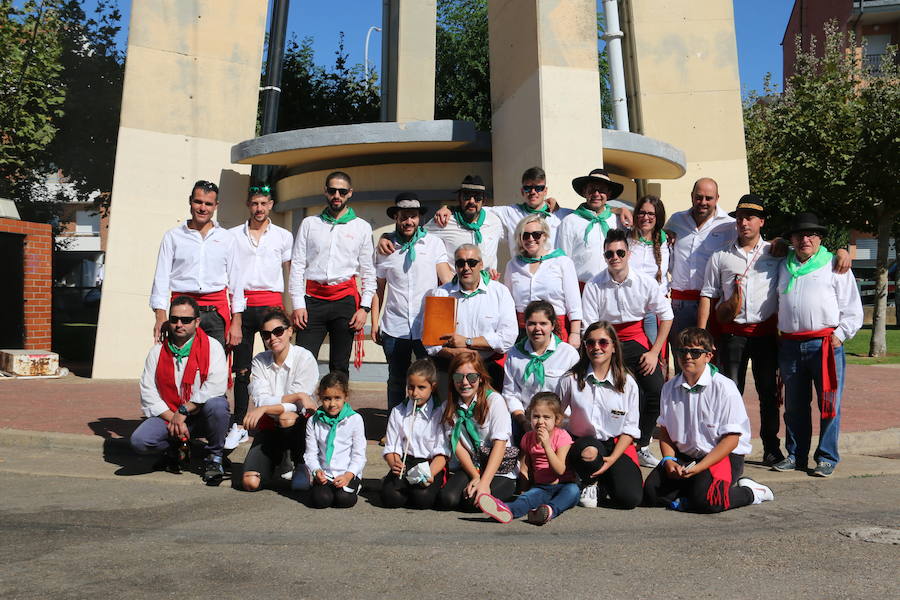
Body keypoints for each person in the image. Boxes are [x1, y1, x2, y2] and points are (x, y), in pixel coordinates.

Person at [642, 327, 774, 513]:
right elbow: (665, 431)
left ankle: (752, 492)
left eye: (695, 352)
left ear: (708, 356)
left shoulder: (724, 388)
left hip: (721, 455)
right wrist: (669, 460)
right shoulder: (669, 387)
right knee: (650, 493)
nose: (688, 356)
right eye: (683, 351)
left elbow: (731, 440)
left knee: (709, 500)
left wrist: (699, 468)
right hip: (685, 455)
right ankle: (692, 490)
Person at [772, 212, 863, 478]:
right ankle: (796, 454)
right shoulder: (782, 264)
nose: (805, 239)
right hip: (790, 345)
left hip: (824, 344)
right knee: (794, 406)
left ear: (820, 238)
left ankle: (825, 456)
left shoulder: (834, 264)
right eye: (799, 234)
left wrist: (841, 334)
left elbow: (852, 308)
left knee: (829, 403)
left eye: (811, 234)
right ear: (792, 239)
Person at [698, 195, 784, 465]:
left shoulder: (776, 253)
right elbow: (707, 295)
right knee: (731, 392)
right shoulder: (720, 255)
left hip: (766, 335)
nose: (744, 222)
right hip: (732, 335)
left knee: (768, 392)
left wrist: (840, 253)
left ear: (761, 222)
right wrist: (701, 335)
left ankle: (771, 446)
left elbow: (810, 253)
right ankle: (730, 446)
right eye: (740, 217)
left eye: (750, 217)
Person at [581, 229, 673, 468]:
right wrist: (601, 353)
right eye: (610, 253)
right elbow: (590, 326)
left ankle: (641, 444)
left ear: (628, 254)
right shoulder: (594, 285)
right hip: (607, 343)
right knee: (618, 391)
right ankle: (613, 441)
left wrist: (654, 352)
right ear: (604, 256)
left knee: (654, 388)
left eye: (620, 252)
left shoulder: (644, 281)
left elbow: (667, 315)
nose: (615, 257)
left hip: (637, 342)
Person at [131, 295, 230, 485]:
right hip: (171, 415)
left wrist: (184, 411)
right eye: (174, 319)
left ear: (197, 322)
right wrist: (174, 418)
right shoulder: (157, 352)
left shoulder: (212, 347)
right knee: (140, 441)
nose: (179, 324)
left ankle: (214, 458)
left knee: (218, 405)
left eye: (186, 320)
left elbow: (216, 386)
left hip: (201, 415)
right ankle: (175, 448)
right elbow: (148, 392)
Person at [226, 183, 294, 450]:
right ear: (248, 205)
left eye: (264, 203)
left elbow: (291, 275)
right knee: (242, 368)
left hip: (272, 307)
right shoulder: (232, 236)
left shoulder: (283, 237)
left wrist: (292, 308)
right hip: (242, 305)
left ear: (271, 205)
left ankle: (276, 417)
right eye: (255, 203)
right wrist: (234, 315)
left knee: (277, 365)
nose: (259, 208)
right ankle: (240, 422)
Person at [288, 171, 376, 376]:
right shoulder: (310, 224)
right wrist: (298, 304)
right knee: (302, 362)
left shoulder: (362, 227)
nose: (337, 195)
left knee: (339, 365)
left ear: (350, 193)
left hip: (344, 301)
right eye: (332, 190)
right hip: (312, 302)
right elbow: (298, 265)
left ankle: (338, 408)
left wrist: (364, 308)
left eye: (342, 191)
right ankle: (300, 408)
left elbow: (369, 272)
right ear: (325, 191)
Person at [373, 193, 453, 411]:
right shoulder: (385, 247)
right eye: (404, 217)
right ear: (396, 218)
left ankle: (429, 423)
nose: (409, 221)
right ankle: (394, 425)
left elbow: (446, 281)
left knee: (430, 377)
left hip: (427, 325)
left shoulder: (434, 243)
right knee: (397, 379)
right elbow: (378, 288)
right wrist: (374, 322)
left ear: (419, 218)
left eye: (413, 216)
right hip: (394, 324)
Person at [556, 322, 643, 509]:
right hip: (582, 444)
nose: (596, 347)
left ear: (613, 347)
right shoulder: (570, 379)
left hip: (614, 444)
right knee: (589, 452)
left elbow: (630, 428)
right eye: (590, 343)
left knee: (629, 499)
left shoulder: (628, 383)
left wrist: (613, 459)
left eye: (603, 342)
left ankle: (602, 482)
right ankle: (588, 481)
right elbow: (556, 417)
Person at [150, 179, 245, 349]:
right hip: (182, 314)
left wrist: (236, 321)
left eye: (208, 204)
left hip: (216, 315)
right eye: (198, 202)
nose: (203, 208)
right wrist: (160, 316)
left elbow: (236, 282)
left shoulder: (227, 239)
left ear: (216, 205)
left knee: (215, 370)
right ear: (190, 201)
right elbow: (161, 278)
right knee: (180, 365)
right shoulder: (173, 236)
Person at [240, 309, 319, 492]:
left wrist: (266, 407)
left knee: (287, 417)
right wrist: (298, 395)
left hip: (299, 428)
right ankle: (281, 461)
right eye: (266, 334)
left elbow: (297, 407)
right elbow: (261, 400)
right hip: (270, 426)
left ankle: (298, 461)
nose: (272, 338)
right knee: (250, 483)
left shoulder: (304, 357)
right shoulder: (259, 360)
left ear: (290, 331)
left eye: (278, 331)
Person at [476, 392, 580, 525]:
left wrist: (547, 446)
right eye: (536, 416)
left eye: (546, 417)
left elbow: (560, 469)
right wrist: (524, 488)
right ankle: (506, 510)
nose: (540, 422)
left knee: (573, 492)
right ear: (529, 417)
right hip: (542, 487)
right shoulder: (528, 438)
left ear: (557, 420)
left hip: (564, 485)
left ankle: (548, 511)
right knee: (526, 499)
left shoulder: (562, 436)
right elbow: (524, 466)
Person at [424, 244, 518, 389]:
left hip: (488, 368)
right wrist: (453, 353)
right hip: (450, 367)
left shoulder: (500, 292)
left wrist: (467, 342)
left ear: (481, 265)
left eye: (472, 262)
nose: (466, 267)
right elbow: (431, 344)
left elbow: (507, 338)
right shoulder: (441, 294)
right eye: (460, 263)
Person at [663, 178, 734, 370]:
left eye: (708, 198)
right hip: (680, 304)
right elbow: (660, 245)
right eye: (699, 197)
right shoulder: (676, 220)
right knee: (682, 359)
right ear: (692, 197)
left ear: (717, 198)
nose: (703, 202)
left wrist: (777, 243)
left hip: (711, 303)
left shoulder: (729, 225)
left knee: (710, 360)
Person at [437, 353, 518, 511]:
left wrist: (484, 483)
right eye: (459, 377)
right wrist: (475, 476)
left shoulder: (494, 401)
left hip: (499, 469)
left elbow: (499, 445)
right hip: (473, 466)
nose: (465, 382)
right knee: (448, 499)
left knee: (473, 502)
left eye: (472, 377)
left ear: (481, 378)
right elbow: (458, 447)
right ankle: (482, 490)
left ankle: (506, 504)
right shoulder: (448, 406)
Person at [502, 301, 579, 440]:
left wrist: (554, 423)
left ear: (553, 325)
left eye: (543, 324)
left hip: (560, 425)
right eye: (531, 323)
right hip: (526, 421)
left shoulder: (568, 354)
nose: (537, 328)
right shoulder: (514, 353)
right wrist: (524, 422)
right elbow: (510, 393)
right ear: (524, 325)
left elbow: (576, 397)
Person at [380, 359, 449, 509]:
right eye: (411, 387)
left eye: (421, 387)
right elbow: (391, 447)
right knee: (390, 497)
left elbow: (442, 453)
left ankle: (420, 491)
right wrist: (394, 463)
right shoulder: (398, 411)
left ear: (433, 386)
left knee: (422, 499)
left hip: (429, 464)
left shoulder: (440, 411)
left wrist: (431, 473)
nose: (415, 393)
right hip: (406, 462)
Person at [503, 213, 582, 343]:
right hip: (523, 332)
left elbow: (574, 304)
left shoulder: (562, 262)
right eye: (525, 235)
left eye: (536, 234)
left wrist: (575, 333)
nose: (530, 239)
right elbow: (508, 303)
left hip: (555, 330)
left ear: (545, 236)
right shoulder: (513, 265)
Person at [296, 372, 367, 508]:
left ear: (345, 396)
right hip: (325, 475)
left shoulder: (355, 419)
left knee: (344, 500)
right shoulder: (314, 421)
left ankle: (354, 486)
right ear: (320, 397)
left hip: (347, 473)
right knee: (320, 500)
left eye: (337, 398)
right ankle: (324, 489)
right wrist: (316, 471)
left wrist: (348, 475)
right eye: (327, 398)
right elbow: (310, 453)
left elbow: (359, 455)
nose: (332, 404)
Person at [558, 168, 627, 286]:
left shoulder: (618, 221)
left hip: (614, 287)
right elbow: (562, 262)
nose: (596, 194)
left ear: (608, 194)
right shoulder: (570, 222)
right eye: (592, 189)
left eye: (601, 190)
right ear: (584, 192)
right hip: (581, 289)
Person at [424, 175, 504, 272]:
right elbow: (418, 237)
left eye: (477, 197)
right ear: (459, 199)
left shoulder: (495, 221)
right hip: (456, 285)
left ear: (484, 201)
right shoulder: (444, 221)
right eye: (466, 196)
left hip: (488, 285)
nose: (472, 201)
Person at [628, 195, 670, 347]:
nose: (646, 217)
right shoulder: (627, 238)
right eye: (642, 212)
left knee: (655, 355)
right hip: (630, 308)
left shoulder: (665, 241)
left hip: (655, 308)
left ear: (657, 216)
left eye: (651, 214)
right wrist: (622, 209)